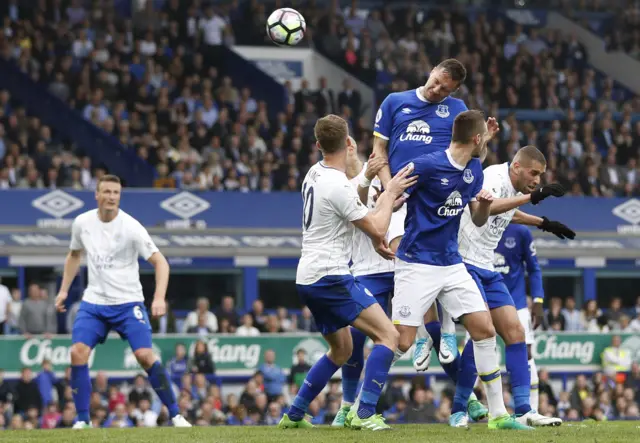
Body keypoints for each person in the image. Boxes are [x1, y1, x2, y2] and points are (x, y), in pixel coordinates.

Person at [391, 109, 531, 430]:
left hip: (452, 263)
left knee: (485, 330)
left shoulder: (475, 169)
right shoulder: (426, 164)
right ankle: (360, 404)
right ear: (477, 138)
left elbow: (479, 218)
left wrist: (481, 204)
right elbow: (392, 194)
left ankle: (498, 415)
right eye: (485, 138)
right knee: (399, 342)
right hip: (417, 262)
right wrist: (385, 212)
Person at [279, 114, 416, 431]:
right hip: (332, 276)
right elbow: (378, 227)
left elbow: (348, 198)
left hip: (307, 278)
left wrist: (367, 177)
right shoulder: (337, 185)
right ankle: (365, 412)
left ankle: (295, 414)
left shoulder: (314, 173)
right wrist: (391, 191)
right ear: (349, 143)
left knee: (342, 349)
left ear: (318, 145)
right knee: (389, 336)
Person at [371, 58, 488, 420]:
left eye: (447, 89)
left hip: (436, 201)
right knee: (400, 254)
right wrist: (391, 188)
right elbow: (378, 151)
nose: (439, 91)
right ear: (433, 70)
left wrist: (488, 140)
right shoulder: (394, 102)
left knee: (436, 269)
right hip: (399, 194)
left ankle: (438, 337)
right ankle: (428, 336)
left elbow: (473, 153)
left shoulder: (456, 110)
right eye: (438, 82)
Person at [54, 174, 190, 428]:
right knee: (77, 352)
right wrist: (63, 290)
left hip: (128, 303)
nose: (111, 197)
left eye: (115, 193)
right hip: (94, 303)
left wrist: (159, 297)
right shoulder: (82, 223)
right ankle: (83, 421)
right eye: (106, 192)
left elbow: (161, 262)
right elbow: (73, 255)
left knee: (145, 355)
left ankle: (175, 414)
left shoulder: (131, 227)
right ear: (96, 195)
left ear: (120, 196)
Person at [451, 145, 573, 427]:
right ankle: (459, 409)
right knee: (483, 335)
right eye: (534, 173)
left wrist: (543, 223)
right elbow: (488, 208)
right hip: (463, 263)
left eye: (541, 177)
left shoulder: (513, 188)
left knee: (515, 333)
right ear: (517, 166)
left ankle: (524, 411)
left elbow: (507, 214)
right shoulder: (494, 178)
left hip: (486, 266)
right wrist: (533, 198)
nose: (537, 180)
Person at [330, 135, 402, 426]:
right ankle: (348, 405)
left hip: (399, 268)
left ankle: (467, 402)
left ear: (350, 146)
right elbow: (358, 209)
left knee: (425, 336)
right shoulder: (340, 186)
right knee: (356, 338)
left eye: (342, 151)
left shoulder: (383, 173)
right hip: (364, 269)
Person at [496, 222, 544, 410]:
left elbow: (534, 268)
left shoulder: (520, 231)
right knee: (475, 354)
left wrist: (538, 300)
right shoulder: (477, 223)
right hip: (484, 302)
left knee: (527, 353)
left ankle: (531, 410)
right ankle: (466, 410)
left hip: (516, 303)